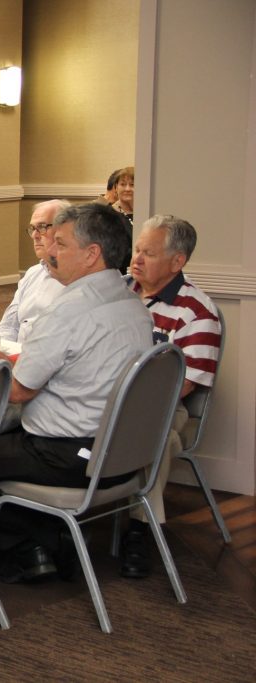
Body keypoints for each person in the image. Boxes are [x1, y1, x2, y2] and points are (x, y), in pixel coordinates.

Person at [0, 203, 152, 583]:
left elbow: (17, 392)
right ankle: (49, 536)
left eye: (61, 243)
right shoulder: (132, 304)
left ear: (91, 254)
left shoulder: (68, 310)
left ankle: (30, 547)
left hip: (65, 455)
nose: (49, 251)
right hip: (121, 452)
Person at [120, 214, 222, 578]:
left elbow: (183, 386)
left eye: (148, 253)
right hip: (99, 396)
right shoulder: (118, 292)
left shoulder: (198, 312)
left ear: (177, 262)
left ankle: (141, 527)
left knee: (157, 433)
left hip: (163, 405)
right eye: (136, 250)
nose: (136, 259)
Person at [0, 199, 69, 344]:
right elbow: (9, 325)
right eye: (32, 228)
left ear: (64, 230)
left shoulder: (77, 278)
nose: (35, 235)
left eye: (42, 227)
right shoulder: (33, 274)